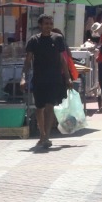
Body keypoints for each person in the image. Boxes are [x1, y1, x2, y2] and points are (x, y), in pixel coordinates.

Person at [25, 16, 74, 151]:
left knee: (49, 106)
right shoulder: (33, 40)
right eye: (46, 23)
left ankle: (46, 137)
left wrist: (68, 77)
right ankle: (42, 134)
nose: (48, 26)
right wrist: (24, 77)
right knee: (39, 108)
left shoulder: (58, 38)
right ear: (40, 25)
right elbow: (28, 60)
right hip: (39, 79)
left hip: (54, 78)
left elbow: (62, 60)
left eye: (51, 23)